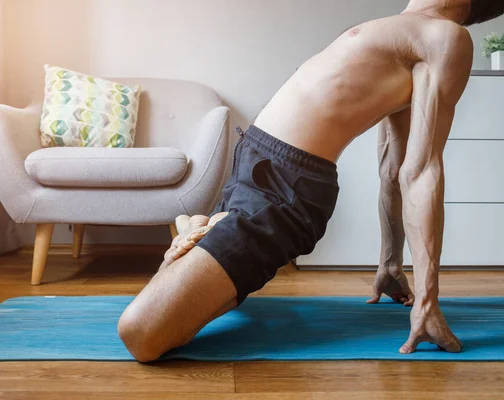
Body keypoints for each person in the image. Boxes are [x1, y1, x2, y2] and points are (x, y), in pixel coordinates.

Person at [117, 0, 504, 362]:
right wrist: (389, 264)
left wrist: (426, 300)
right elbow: (389, 166)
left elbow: (419, 171)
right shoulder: (401, 26)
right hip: (253, 167)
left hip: (285, 190)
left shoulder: (446, 36)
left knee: (140, 334)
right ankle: (206, 228)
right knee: (187, 312)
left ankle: (202, 231)